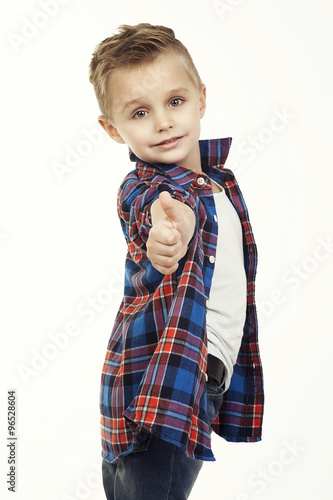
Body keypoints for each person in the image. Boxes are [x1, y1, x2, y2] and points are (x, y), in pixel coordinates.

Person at [89, 23, 264, 500]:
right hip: (160, 383)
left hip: (194, 381)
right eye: (140, 112)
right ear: (111, 128)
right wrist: (169, 233)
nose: (164, 122)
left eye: (175, 101)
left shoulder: (218, 182)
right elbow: (158, 212)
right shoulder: (149, 190)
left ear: (201, 99)